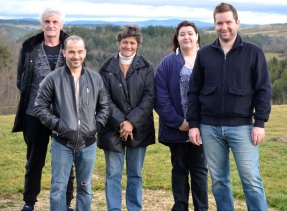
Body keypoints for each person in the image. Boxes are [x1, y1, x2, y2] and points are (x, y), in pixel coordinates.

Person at [187, 2, 272, 211]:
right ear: (214, 25)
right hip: (209, 127)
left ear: (237, 23)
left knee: (251, 180)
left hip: (243, 127)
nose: (224, 27)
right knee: (218, 181)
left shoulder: (254, 52)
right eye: (219, 23)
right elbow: (194, 91)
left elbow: (263, 89)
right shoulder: (204, 54)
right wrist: (194, 124)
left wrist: (259, 122)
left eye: (228, 22)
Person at [33, 35, 110, 211]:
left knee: (86, 187)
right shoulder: (52, 78)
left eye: (79, 52)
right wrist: (60, 126)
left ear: (85, 53)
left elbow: (105, 106)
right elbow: (39, 107)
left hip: (88, 144)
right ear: (64, 53)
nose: (76, 56)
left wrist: (95, 126)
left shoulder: (96, 79)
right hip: (62, 144)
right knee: (58, 188)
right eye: (71, 52)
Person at [11, 7, 76, 211]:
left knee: (66, 162)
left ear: (61, 25)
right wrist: (39, 102)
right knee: (34, 161)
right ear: (42, 24)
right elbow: (22, 80)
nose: (51, 25)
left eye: (55, 22)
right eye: (47, 21)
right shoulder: (29, 48)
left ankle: (66, 202)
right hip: (34, 115)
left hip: (64, 115)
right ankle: (29, 202)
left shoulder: (71, 46)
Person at [97, 24, 155, 211]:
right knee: (113, 173)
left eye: (132, 42)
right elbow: (103, 98)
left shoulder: (146, 67)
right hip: (112, 128)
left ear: (137, 44)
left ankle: (134, 208)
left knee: (135, 173)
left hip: (139, 127)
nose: (128, 46)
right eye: (124, 42)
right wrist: (122, 122)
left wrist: (131, 122)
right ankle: (113, 208)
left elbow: (149, 97)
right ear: (119, 43)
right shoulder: (106, 67)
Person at [154, 21, 208, 211]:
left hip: (202, 128)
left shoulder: (207, 60)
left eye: (190, 33)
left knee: (200, 171)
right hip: (177, 128)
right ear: (177, 38)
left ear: (197, 36)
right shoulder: (167, 63)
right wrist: (179, 122)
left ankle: (201, 208)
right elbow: (161, 98)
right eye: (182, 34)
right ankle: (180, 207)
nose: (186, 37)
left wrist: (198, 123)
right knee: (179, 170)